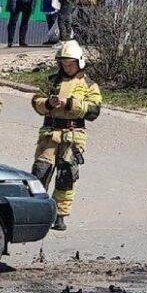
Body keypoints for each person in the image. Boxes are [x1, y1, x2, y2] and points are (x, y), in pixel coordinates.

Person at [31, 40, 102, 232]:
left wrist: (70, 105)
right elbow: (36, 101)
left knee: (66, 176)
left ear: (79, 62)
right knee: (40, 172)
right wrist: (48, 103)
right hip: (49, 135)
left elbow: (94, 110)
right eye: (63, 63)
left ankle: (60, 215)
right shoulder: (52, 81)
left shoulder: (88, 85)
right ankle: (35, 211)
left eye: (70, 64)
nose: (66, 67)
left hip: (73, 136)